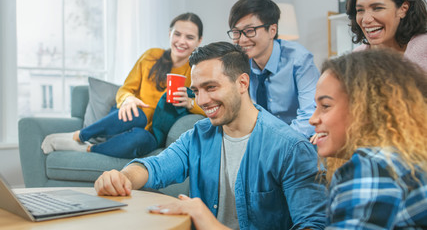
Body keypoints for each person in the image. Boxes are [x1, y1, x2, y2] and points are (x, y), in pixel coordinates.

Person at [95, 42, 327, 229]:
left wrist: (204, 219)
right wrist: (123, 177)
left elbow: (312, 225)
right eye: (196, 91)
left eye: (211, 87)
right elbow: (155, 167)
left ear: (242, 83)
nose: (202, 101)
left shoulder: (290, 148)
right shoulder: (198, 135)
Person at [41, 13, 205, 158]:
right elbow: (126, 88)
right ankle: (79, 136)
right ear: (170, 34)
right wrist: (128, 99)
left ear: (199, 41)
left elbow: (208, 106)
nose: (181, 41)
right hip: (127, 117)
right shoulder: (151, 56)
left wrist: (190, 103)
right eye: (177, 34)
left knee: (140, 138)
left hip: (153, 132)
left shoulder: (197, 71)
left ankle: (88, 149)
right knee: (138, 115)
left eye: (189, 37)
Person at [309, 49, 427, 228]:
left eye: (325, 106)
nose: (312, 119)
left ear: (364, 109)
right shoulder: (401, 159)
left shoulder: (374, 167)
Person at [227, 0, 319, 138]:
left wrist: (277, 142)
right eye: (236, 32)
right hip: (259, 139)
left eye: (250, 30)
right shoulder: (239, 63)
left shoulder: (299, 60)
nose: (243, 40)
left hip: (296, 139)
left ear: (272, 30)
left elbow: (310, 115)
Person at [347, 0, 427, 70]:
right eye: (360, 10)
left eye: (377, 8)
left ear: (403, 9)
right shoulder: (354, 60)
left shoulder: (423, 49)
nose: (366, 20)